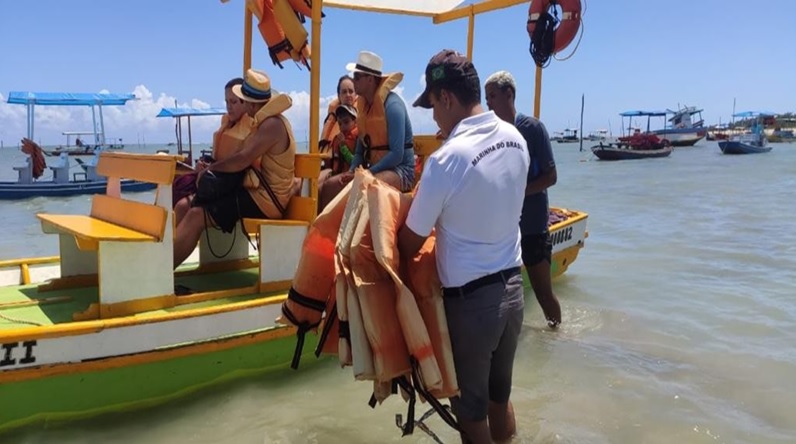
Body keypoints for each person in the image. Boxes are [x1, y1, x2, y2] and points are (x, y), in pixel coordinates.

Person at [397, 49, 529, 444]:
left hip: (473, 307)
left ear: (447, 98)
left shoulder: (445, 160)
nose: (434, 118)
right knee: (499, 398)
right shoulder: (515, 139)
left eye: (434, 107)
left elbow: (410, 240)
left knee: (471, 416)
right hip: (513, 293)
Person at [173, 68, 296, 269]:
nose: (242, 105)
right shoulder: (266, 121)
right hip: (254, 193)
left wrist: (209, 170)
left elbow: (243, 159)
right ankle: (162, 264)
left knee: (196, 216)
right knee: (186, 205)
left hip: (267, 202)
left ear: (251, 103)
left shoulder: (272, 125)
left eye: (243, 100)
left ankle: (161, 276)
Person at [485, 70, 562, 329]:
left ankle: (556, 335)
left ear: (509, 95)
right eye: (486, 98)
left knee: (543, 294)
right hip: (505, 230)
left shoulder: (533, 128)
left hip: (532, 227)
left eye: (492, 96)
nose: (488, 103)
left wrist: (517, 192)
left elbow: (551, 176)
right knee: (505, 296)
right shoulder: (492, 134)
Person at [326, 50, 416, 196]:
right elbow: (359, 152)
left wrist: (367, 173)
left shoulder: (393, 106)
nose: (354, 81)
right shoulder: (364, 110)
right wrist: (352, 171)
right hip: (372, 170)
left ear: (370, 79)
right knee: (330, 187)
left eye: (357, 77)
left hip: (401, 172)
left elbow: (397, 154)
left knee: (365, 187)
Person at [174, 77, 247, 221]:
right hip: (216, 180)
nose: (229, 107)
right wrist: (203, 166)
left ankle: (174, 235)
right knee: (178, 188)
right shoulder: (227, 125)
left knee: (183, 206)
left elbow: (240, 164)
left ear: (246, 103)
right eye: (227, 102)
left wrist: (210, 169)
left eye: (234, 102)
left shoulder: (251, 128)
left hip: (232, 187)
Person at [318, 103, 358, 210]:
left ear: (355, 122)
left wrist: (343, 147)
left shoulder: (359, 138)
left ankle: (325, 215)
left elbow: (356, 163)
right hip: (337, 173)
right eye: (340, 124)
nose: (343, 127)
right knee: (316, 186)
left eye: (346, 122)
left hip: (351, 175)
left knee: (326, 187)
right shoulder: (337, 139)